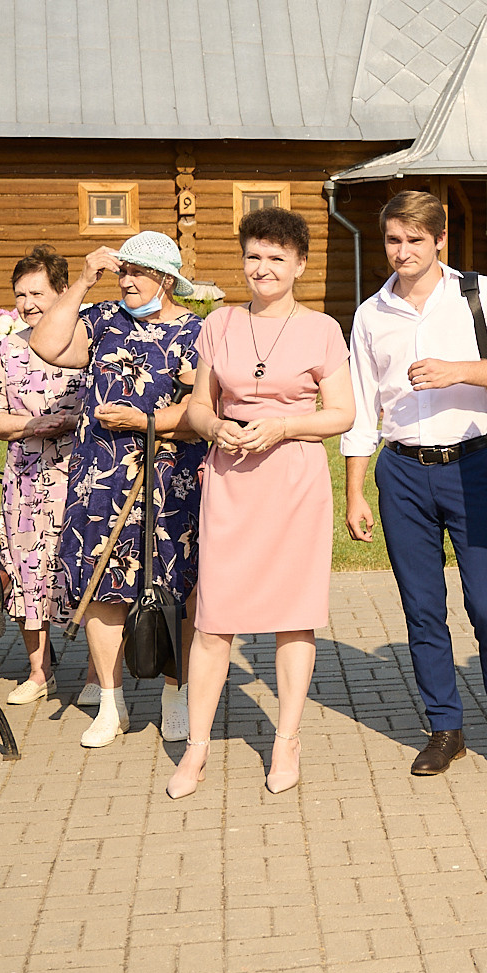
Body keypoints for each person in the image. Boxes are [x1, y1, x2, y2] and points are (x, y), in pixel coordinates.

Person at [342, 190, 487, 780]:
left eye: (415, 240)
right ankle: (445, 728)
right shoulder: (371, 313)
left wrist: (456, 372)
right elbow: (362, 407)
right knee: (422, 609)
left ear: (440, 240)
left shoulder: (477, 293)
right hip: (400, 471)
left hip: (471, 464)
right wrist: (354, 491)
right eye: (393, 240)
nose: (402, 251)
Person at [171, 207, 354, 799]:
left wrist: (282, 426)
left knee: (292, 615)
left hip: (293, 475)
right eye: (254, 255)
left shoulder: (323, 328)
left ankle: (287, 740)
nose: (263, 267)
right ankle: (196, 748)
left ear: (299, 264)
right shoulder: (218, 323)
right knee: (214, 615)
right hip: (229, 475)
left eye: (277, 257)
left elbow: (342, 414)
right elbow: (199, 404)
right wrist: (213, 427)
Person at [32, 230, 206, 749]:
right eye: (123, 271)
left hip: (169, 481)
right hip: (100, 481)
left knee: (179, 591)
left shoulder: (198, 333)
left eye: (141, 273)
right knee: (102, 591)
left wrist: (145, 419)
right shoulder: (103, 321)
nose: (128, 281)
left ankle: (178, 696)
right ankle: (111, 703)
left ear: (168, 280)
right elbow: (45, 344)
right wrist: (85, 279)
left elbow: (203, 413)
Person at [0, 245, 85, 704]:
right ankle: (40, 673)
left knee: (87, 570)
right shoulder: (3, 353)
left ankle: (103, 678)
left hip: (82, 477)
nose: (28, 303)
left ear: (62, 292)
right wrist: (31, 425)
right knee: (28, 572)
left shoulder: (86, 341)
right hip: (26, 481)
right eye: (21, 294)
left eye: (38, 292)